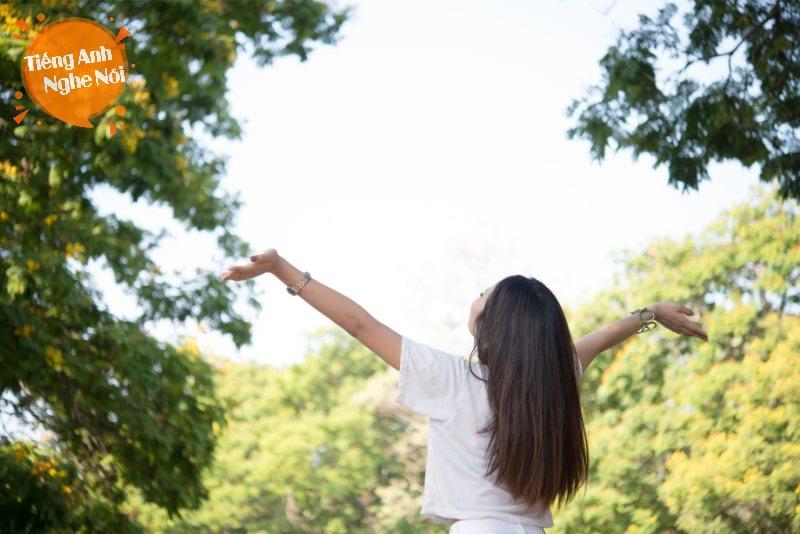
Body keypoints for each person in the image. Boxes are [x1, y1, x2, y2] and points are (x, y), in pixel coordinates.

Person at [221, 249, 707, 533]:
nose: (476, 297)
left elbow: (359, 324)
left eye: (484, 294)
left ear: (492, 325)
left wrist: (281, 268)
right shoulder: (555, 384)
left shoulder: (453, 379)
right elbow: (598, 339)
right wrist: (651, 314)